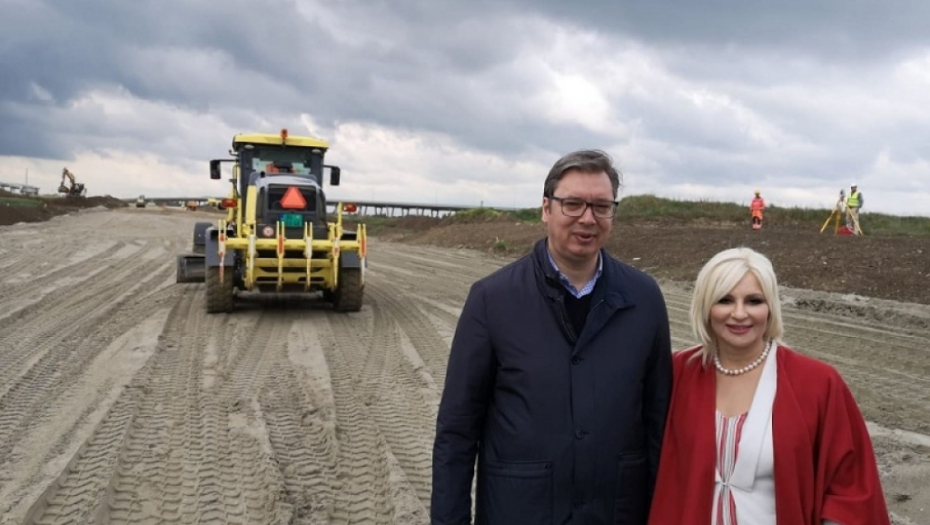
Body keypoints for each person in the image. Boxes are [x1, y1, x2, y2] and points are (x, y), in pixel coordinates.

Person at [431, 150, 673, 524]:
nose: (587, 218)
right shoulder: (492, 299)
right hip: (520, 511)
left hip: (616, 511)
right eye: (572, 204)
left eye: (601, 206)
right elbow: (457, 432)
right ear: (546, 209)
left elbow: (659, 422)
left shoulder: (644, 298)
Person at [648, 247, 890, 525]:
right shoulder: (675, 373)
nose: (740, 313)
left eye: (754, 301)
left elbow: (851, 487)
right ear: (705, 306)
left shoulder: (818, 383)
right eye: (725, 300)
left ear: (770, 307)